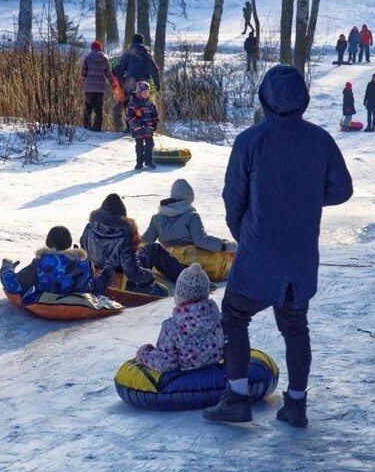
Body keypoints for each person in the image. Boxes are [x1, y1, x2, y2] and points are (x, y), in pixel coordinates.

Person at [202, 65, 353, 427]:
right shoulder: (320, 140)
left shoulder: (251, 141)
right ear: (303, 99)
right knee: (295, 326)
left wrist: (246, 234)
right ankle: (296, 406)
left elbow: (233, 198)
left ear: (265, 99)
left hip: (259, 251)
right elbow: (342, 190)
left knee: (235, 316)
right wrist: (306, 198)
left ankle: (237, 399)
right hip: (300, 255)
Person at [80, 193, 189, 296]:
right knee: (154, 249)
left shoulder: (89, 227)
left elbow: (84, 252)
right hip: (119, 271)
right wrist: (149, 275)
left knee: (144, 247)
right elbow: (133, 273)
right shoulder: (123, 236)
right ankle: (188, 278)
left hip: (99, 268)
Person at [136, 263, 224, 372]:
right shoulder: (219, 320)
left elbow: (166, 363)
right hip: (215, 374)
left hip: (184, 381)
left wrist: (145, 354)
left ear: (180, 296)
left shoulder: (171, 328)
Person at [0, 226, 114, 303]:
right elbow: (86, 286)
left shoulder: (39, 264)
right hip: (75, 296)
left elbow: (13, 285)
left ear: (48, 242)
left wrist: (7, 268)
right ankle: (105, 277)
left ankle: (102, 279)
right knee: (92, 283)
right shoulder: (80, 263)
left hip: (45, 297)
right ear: (69, 243)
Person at [141, 178, 236, 253]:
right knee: (220, 256)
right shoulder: (191, 216)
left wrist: (130, 244)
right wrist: (224, 246)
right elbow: (200, 240)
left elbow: (146, 240)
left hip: (166, 258)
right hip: (190, 258)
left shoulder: (157, 217)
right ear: (189, 197)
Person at [113, 34, 161, 102]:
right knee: (143, 104)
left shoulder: (127, 53)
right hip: (144, 83)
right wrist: (157, 84)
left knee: (129, 103)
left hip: (130, 83)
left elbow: (121, 68)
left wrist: (120, 83)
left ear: (133, 41)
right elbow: (154, 69)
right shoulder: (147, 54)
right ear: (142, 42)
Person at [80, 40, 113, 132]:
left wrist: (82, 83)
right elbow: (108, 73)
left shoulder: (87, 58)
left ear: (91, 48)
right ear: (100, 48)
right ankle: (97, 127)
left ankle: (86, 126)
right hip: (100, 88)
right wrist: (112, 83)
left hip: (89, 87)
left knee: (88, 107)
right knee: (98, 108)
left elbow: (83, 72)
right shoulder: (104, 59)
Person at [126, 80, 159, 170]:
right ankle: (139, 162)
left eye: (147, 92)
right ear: (139, 92)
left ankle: (148, 160)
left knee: (150, 145)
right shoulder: (132, 104)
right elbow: (129, 118)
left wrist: (155, 123)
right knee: (139, 147)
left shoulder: (150, 104)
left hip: (148, 129)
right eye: (144, 92)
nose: (146, 94)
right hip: (138, 130)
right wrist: (137, 125)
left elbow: (155, 114)